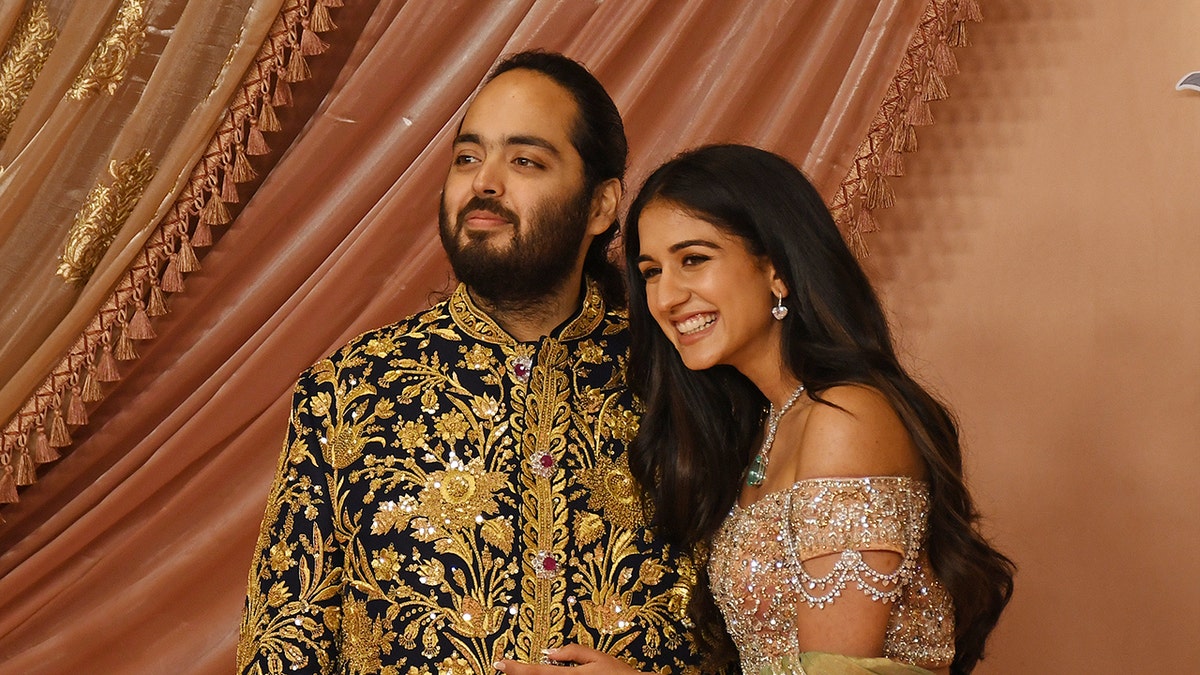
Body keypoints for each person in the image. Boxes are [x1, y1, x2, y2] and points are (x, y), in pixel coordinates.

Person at [237, 51, 723, 675]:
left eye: (525, 160)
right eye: (468, 158)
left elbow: (773, 638)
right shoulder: (349, 389)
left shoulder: (685, 375)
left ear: (601, 206)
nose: (484, 184)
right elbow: (281, 648)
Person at [618, 144, 1015, 675]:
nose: (666, 297)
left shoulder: (846, 416)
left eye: (694, 259)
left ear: (777, 270)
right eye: (650, 271)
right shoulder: (769, 424)